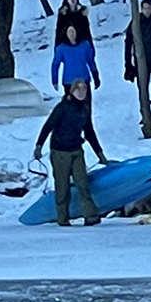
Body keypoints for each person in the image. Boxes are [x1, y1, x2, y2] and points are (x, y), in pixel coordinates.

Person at [33, 79, 108, 226]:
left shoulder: (84, 109)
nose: (81, 92)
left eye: (84, 89)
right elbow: (48, 126)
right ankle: (63, 218)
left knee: (83, 184)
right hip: (60, 151)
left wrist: (100, 153)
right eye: (78, 89)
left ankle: (90, 215)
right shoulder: (62, 107)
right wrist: (39, 146)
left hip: (76, 151)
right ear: (72, 91)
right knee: (62, 187)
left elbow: (89, 132)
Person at [52, 25, 100, 103]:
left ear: (77, 32)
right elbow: (55, 64)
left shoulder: (85, 45)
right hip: (69, 82)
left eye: (73, 31)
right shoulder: (62, 48)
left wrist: (96, 76)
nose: (71, 34)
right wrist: (55, 80)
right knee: (72, 107)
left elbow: (91, 61)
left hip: (84, 80)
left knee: (85, 106)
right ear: (66, 34)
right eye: (69, 32)